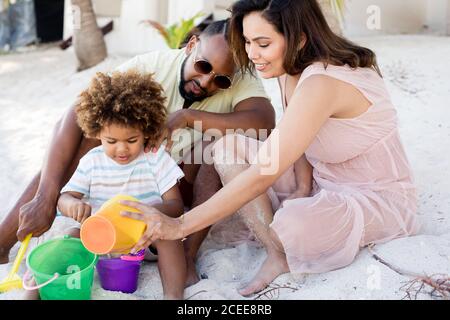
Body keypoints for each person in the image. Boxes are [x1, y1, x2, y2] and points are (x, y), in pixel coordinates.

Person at [117, 0, 421, 297]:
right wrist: (303, 186)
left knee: (293, 226)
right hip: (322, 180)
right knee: (227, 147)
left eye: (263, 43)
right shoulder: (288, 68)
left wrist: (178, 224)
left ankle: (281, 245)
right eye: (248, 42)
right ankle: (278, 254)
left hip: (373, 197)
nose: (252, 54)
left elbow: (264, 172)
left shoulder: (323, 82)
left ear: (299, 39)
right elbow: (297, 135)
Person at [0, 19, 276, 287]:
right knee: (89, 139)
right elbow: (76, 113)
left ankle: (188, 256)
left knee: (213, 150)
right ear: (191, 46)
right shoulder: (153, 66)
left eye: (221, 80)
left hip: (179, 177)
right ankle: (4, 240)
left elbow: (264, 120)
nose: (205, 82)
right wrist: (47, 197)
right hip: (131, 164)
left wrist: (188, 117)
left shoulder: (239, 79)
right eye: (202, 66)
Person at [28, 70, 187, 299]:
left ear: (146, 130)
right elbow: (64, 197)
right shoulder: (93, 161)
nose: (121, 149)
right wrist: (71, 203)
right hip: (100, 239)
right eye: (111, 141)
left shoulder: (155, 157)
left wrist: (149, 213)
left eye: (132, 140)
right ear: (97, 132)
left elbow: (175, 205)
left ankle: (174, 296)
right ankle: (30, 293)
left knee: (169, 237)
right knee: (68, 240)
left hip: (143, 239)